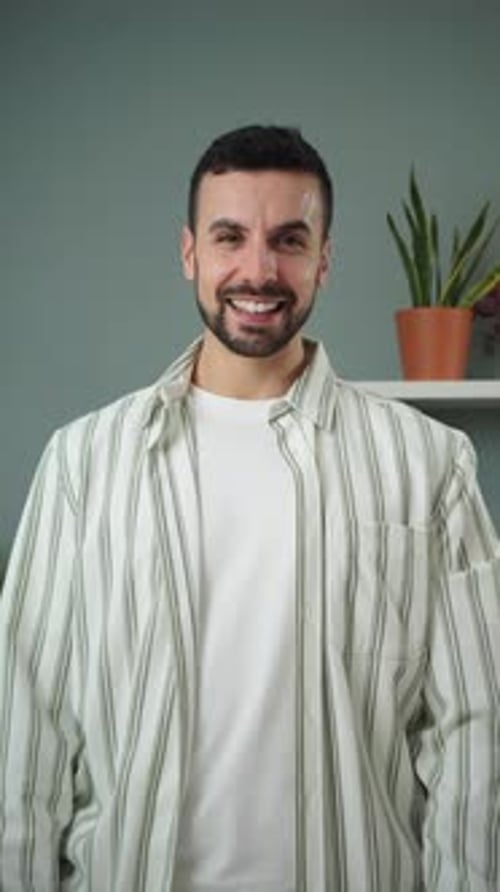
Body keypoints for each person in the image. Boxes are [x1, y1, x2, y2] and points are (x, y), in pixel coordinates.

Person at [0, 124, 499, 892]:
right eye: (229, 236)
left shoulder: (428, 465)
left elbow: (478, 731)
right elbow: (23, 735)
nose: (258, 269)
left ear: (324, 259)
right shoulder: (81, 462)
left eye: (289, 240)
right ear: (189, 253)